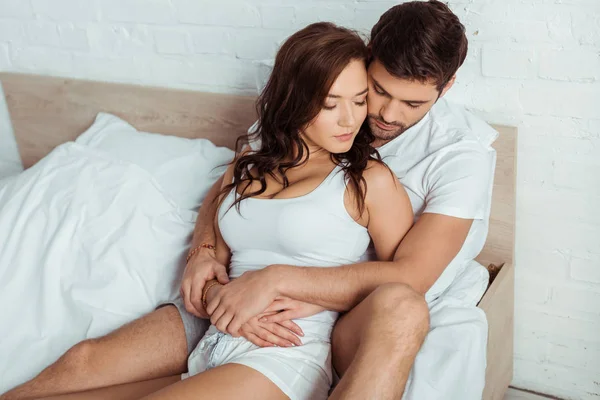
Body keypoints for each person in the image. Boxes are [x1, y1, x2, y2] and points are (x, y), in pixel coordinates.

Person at [1, 1, 497, 399]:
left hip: (301, 328)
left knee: (402, 307)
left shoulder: (427, 165)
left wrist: (275, 283)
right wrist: (204, 254)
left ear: (445, 88)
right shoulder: (298, 120)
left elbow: (409, 279)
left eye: (411, 104)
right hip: (223, 313)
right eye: (373, 93)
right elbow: (230, 185)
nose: (379, 115)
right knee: (79, 364)